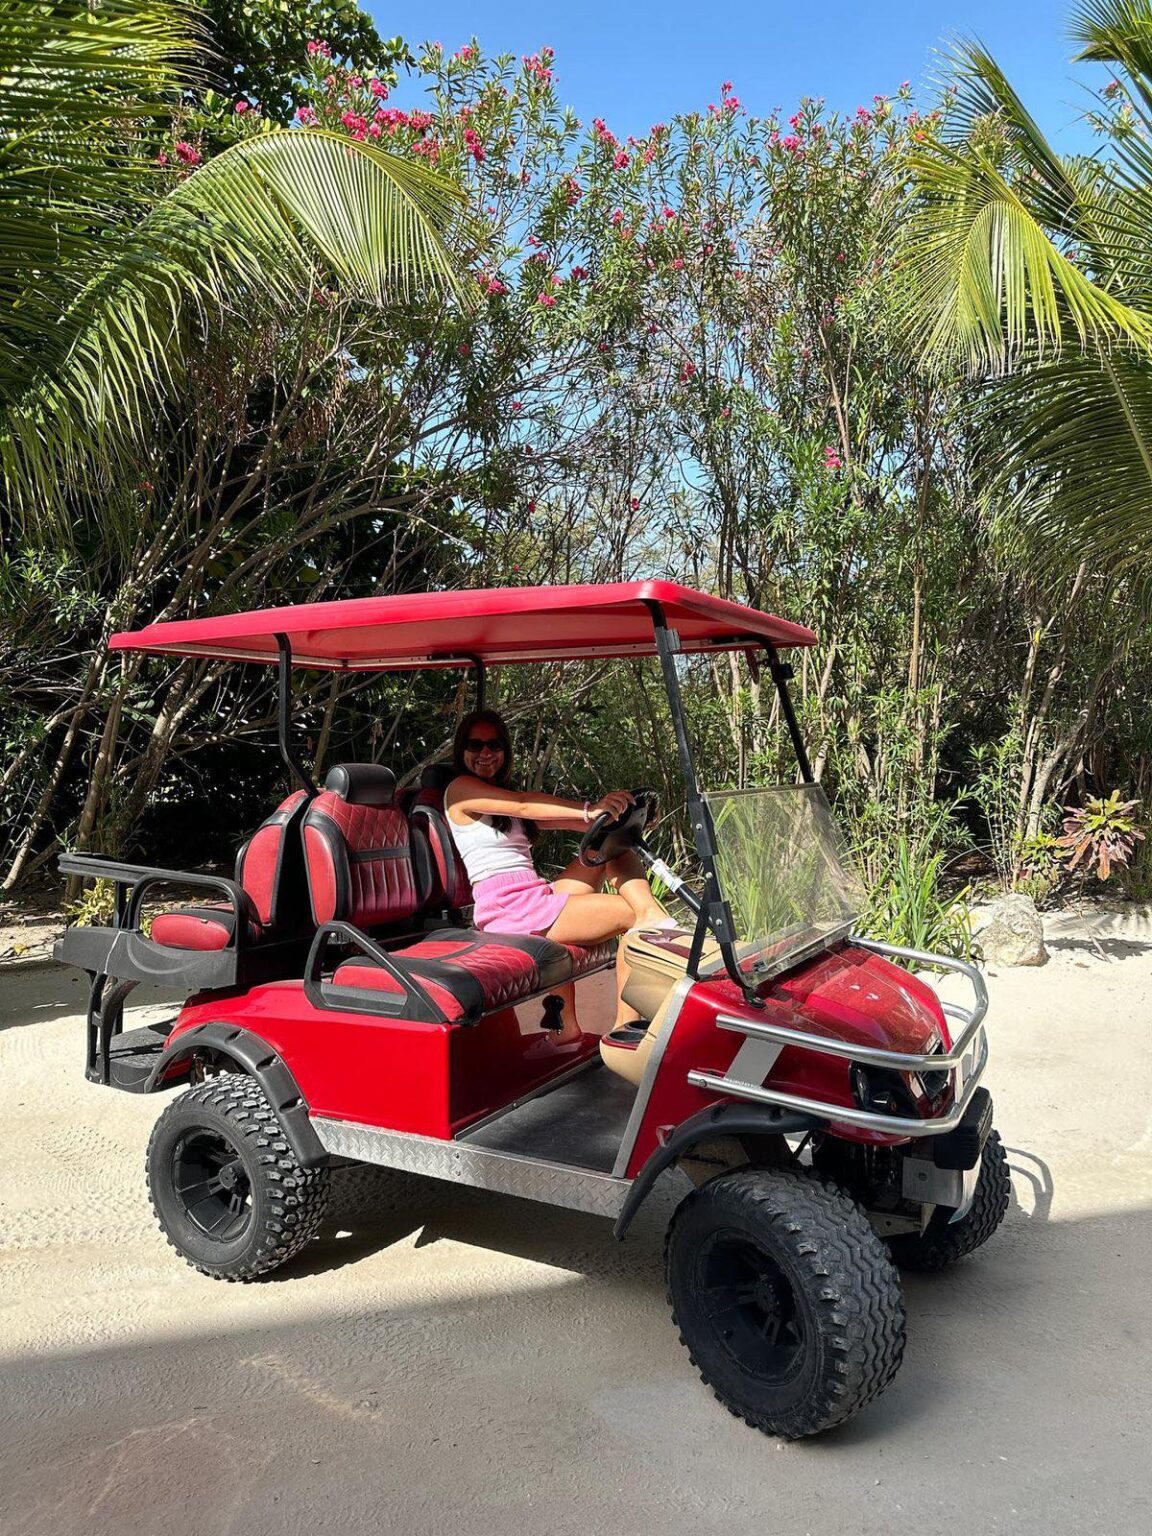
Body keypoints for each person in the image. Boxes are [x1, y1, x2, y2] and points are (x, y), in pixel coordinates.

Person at [444, 709, 675, 1043]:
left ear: (505, 752)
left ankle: (567, 1031)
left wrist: (623, 819)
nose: (485, 753)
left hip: (533, 897)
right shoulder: (462, 788)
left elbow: (576, 822)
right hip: (508, 909)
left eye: (494, 745)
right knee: (629, 916)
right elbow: (524, 805)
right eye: (475, 745)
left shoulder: (502, 799)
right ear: (461, 750)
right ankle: (625, 1033)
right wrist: (589, 808)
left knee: (610, 847)